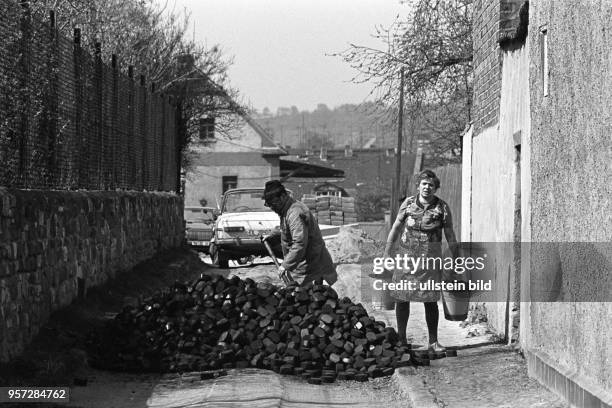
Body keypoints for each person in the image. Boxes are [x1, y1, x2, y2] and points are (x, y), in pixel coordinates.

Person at [384, 169, 458, 351]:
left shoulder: (442, 208)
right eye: (424, 184)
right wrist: (387, 252)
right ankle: (401, 339)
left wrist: (456, 257)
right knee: (402, 298)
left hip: (430, 262)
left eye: (431, 185)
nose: (427, 187)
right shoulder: (408, 204)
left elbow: (450, 234)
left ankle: (433, 342)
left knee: (430, 300)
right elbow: (395, 228)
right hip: (406, 259)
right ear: (418, 186)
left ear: (436, 188)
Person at [262, 180, 338, 286]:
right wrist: (272, 234)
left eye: (274, 204)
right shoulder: (287, 210)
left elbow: (299, 242)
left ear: (283, 196)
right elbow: (286, 228)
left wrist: (285, 265)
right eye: (270, 205)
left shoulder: (295, 213)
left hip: (311, 263)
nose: (273, 208)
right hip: (304, 263)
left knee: (310, 296)